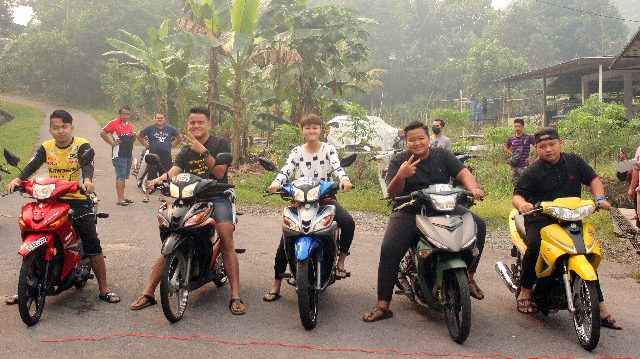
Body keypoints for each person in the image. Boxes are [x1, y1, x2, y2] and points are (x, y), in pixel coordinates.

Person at [362, 121, 486, 322]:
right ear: (406, 142)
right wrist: (401, 176)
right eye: (412, 140)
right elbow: (392, 193)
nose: (417, 143)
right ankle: (383, 304)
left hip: (443, 206)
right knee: (389, 248)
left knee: (478, 224)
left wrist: (473, 188)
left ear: (428, 138)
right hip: (410, 209)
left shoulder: (442, 155)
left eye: (421, 138)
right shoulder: (400, 161)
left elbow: (463, 172)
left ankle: (469, 277)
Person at [129, 107, 246, 315]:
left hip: (217, 196)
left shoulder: (220, 144)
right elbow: (175, 170)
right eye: (192, 122)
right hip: (190, 197)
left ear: (209, 124)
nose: (196, 126)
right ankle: (148, 292)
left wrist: (203, 151)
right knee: (172, 235)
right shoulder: (185, 149)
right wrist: (158, 180)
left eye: (200, 122)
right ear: (187, 124)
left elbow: (219, 173)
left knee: (226, 238)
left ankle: (235, 295)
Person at [5, 110, 120, 304]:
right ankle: (27, 286)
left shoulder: (81, 145)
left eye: (64, 127)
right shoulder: (47, 147)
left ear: (71, 127)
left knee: (91, 241)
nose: (60, 131)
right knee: (33, 227)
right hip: (51, 199)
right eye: (56, 127)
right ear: (50, 129)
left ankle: (104, 289)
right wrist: (17, 180)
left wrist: (87, 181)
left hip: (77, 198)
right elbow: (32, 165)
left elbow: (87, 165)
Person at [512, 127, 622, 329]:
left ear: (560, 143)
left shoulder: (574, 162)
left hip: (572, 218)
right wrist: (524, 205)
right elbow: (517, 195)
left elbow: (593, 179)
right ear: (536, 148)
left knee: (584, 251)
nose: (548, 149)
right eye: (542, 146)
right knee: (535, 245)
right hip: (541, 219)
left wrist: (599, 198)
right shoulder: (532, 171)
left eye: (552, 144)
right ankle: (525, 291)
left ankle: (601, 308)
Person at [263, 114, 355, 302]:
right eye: (307, 127)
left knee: (348, 222)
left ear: (321, 130)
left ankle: (341, 262)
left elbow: (338, 168)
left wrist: (344, 180)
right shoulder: (297, 151)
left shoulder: (328, 149)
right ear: (302, 130)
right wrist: (275, 184)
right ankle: (276, 285)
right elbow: (286, 170)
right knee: (286, 239)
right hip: (299, 200)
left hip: (325, 199)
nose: (311, 131)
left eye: (315, 127)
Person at [135, 113, 182, 203]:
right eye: (158, 118)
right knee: (151, 174)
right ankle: (147, 195)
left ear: (165, 119)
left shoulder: (170, 129)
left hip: (165, 156)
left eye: (161, 118)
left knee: (163, 176)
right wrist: (146, 145)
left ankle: (161, 195)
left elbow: (179, 137)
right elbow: (138, 135)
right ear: (155, 119)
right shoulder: (150, 128)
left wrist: (172, 146)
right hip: (153, 156)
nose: (159, 119)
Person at [100, 106, 136, 206]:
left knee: (124, 177)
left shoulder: (128, 125)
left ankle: (123, 197)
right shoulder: (114, 123)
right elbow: (102, 132)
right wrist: (112, 143)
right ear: (120, 114)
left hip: (128, 154)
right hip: (119, 155)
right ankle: (120, 199)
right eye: (124, 114)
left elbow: (131, 140)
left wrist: (134, 137)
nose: (126, 116)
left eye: (128, 114)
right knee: (120, 176)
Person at [505, 118, 535, 186]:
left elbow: (537, 148)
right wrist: (512, 154)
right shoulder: (511, 138)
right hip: (514, 166)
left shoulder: (528, 137)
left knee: (526, 184)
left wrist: (533, 159)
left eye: (519, 126)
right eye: (515, 126)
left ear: (523, 127)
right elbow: (506, 148)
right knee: (514, 185)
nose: (517, 128)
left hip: (524, 166)